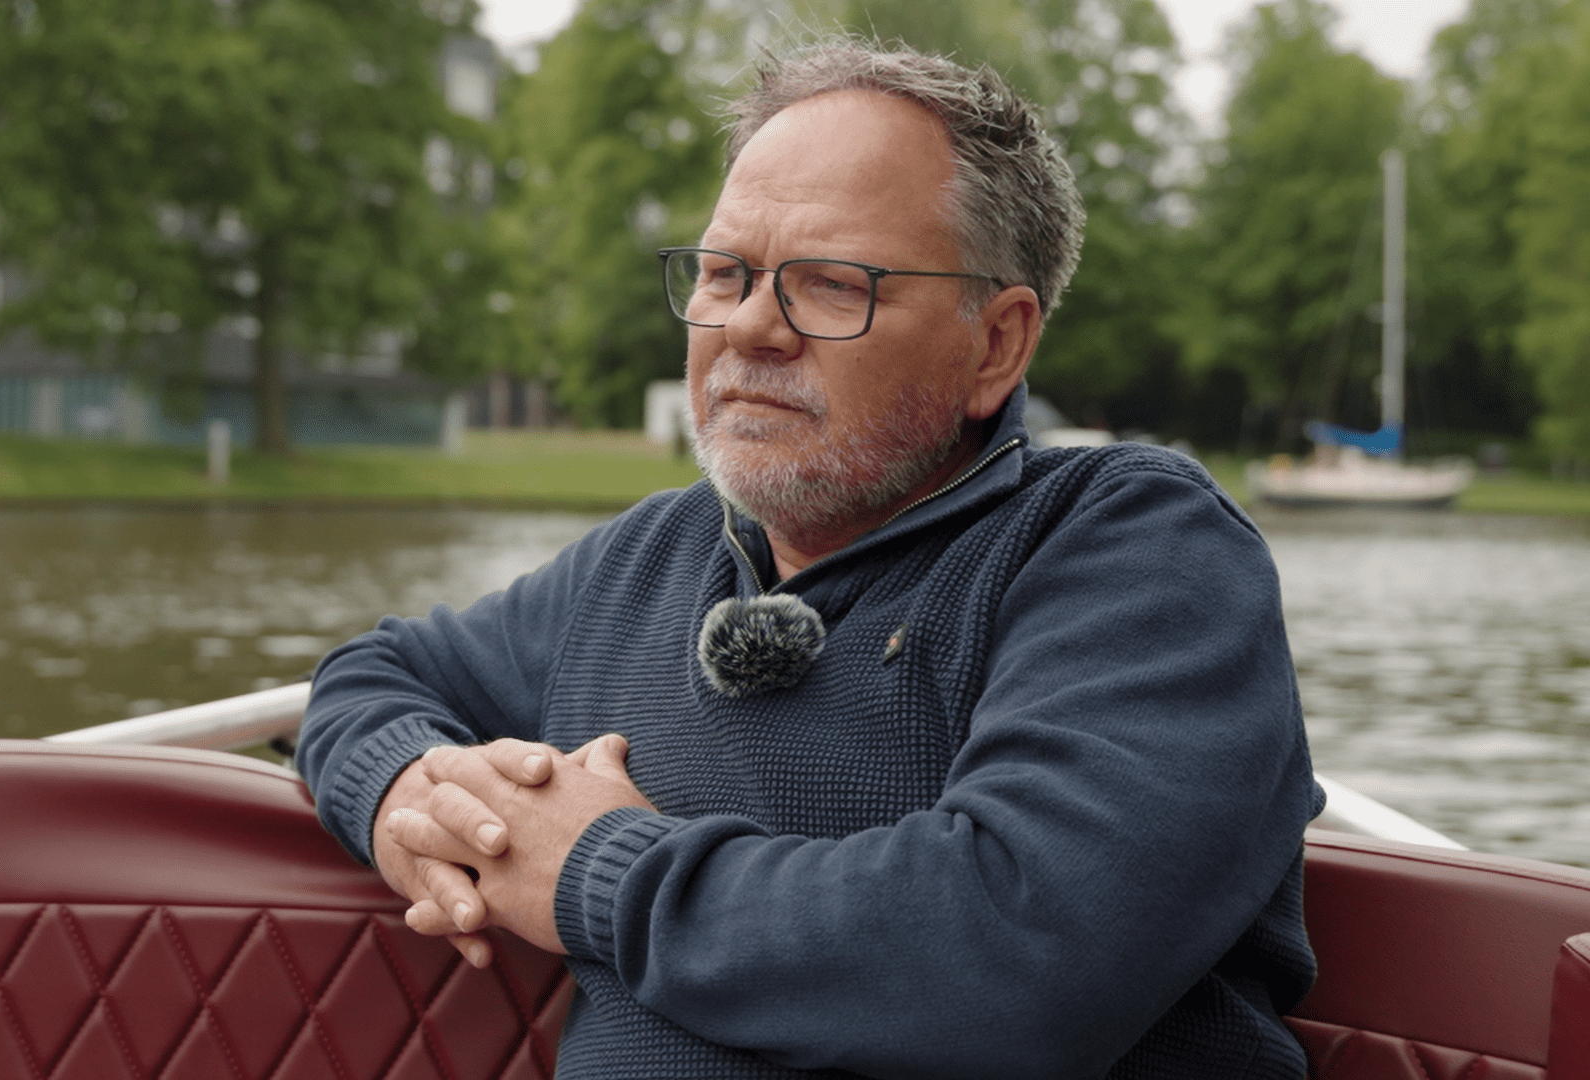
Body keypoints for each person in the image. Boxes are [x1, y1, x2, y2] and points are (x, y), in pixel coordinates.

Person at [298, 36, 1319, 1080]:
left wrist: (597, 871)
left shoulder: (1134, 547)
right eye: (724, 273)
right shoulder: (651, 553)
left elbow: (1014, 960)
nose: (750, 326)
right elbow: (369, 679)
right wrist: (412, 801)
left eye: (833, 285)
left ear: (997, 344)